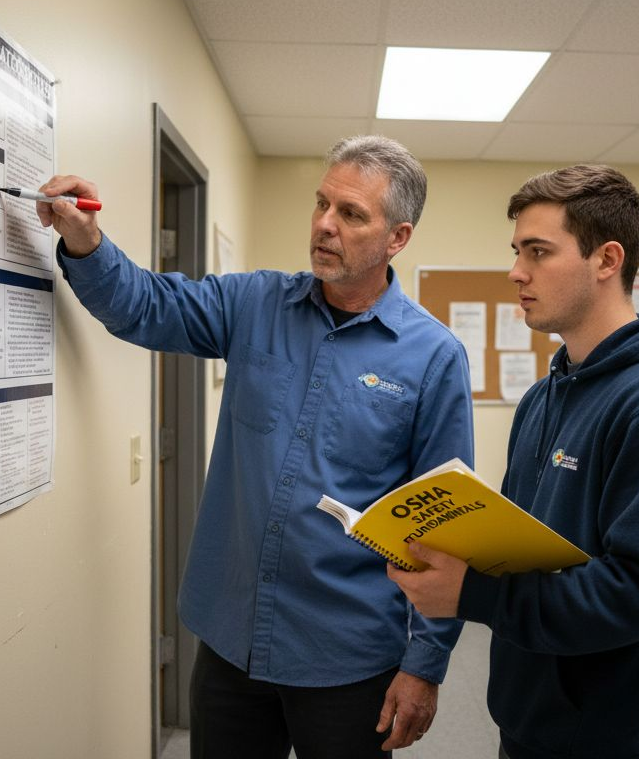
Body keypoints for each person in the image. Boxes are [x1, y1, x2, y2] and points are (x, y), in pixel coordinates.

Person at [38, 136, 474, 758]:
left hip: (346, 655)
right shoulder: (254, 304)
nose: (325, 224)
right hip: (232, 636)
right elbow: (144, 306)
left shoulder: (433, 357)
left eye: (351, 215)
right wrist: (83, 240)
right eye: (322, 203)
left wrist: (425, 664)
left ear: (397, 238)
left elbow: (447, 524)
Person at [388, 165, 639, 759]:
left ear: (607, 260)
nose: (516, 271)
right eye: (517, 250)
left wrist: (474, 596)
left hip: (624, 737)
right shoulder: (545, 396)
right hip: (534, 718)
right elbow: (523, 542)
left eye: (539, 251)